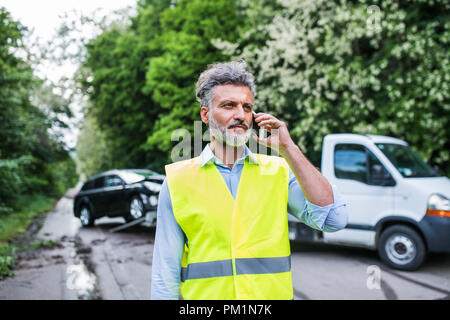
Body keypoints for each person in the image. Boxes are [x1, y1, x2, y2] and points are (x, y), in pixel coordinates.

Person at [151, 61, 348, 300]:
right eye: (228, 105)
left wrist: (289, 148)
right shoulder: (177, 181)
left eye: (247, 107)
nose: (240, 115)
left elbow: (334, 219)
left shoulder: (278, 171)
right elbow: (165, 273)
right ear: (206, 114)